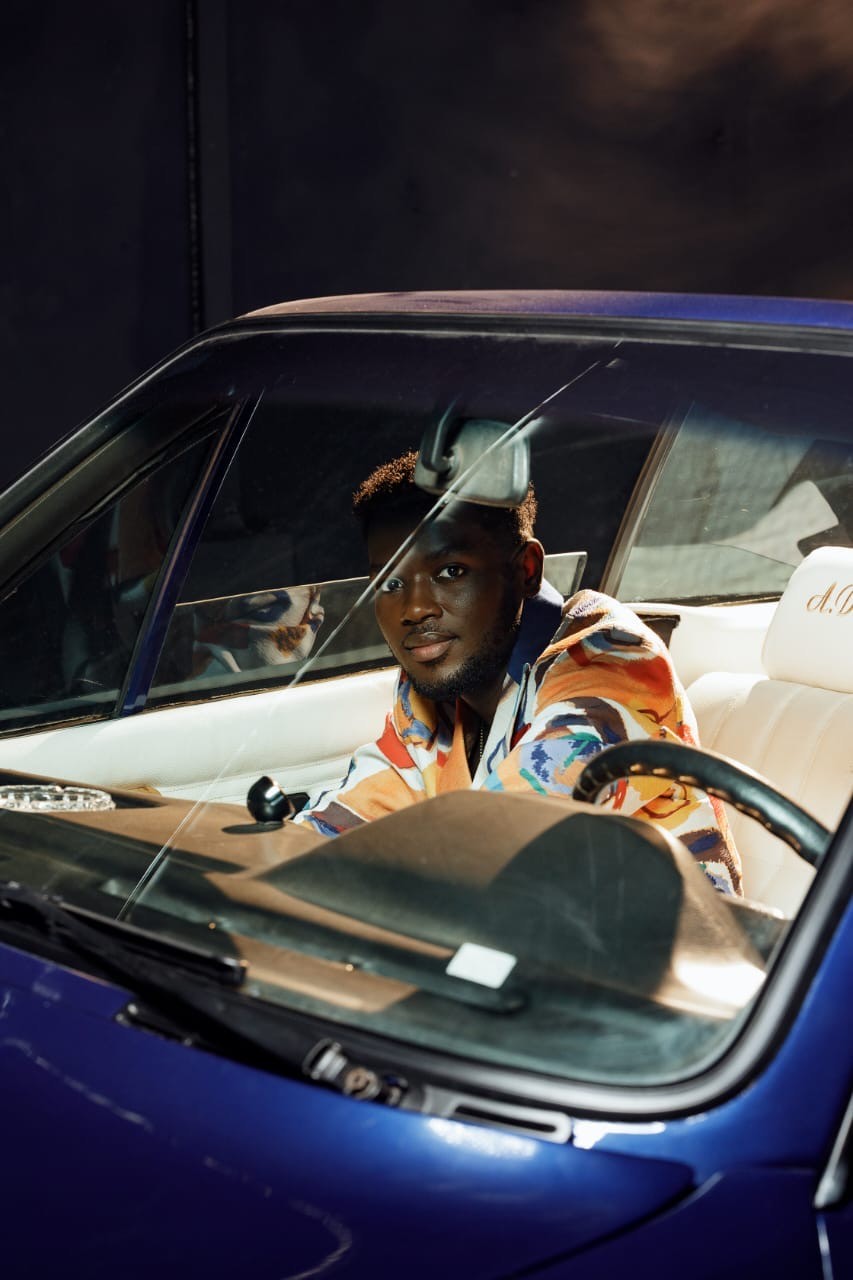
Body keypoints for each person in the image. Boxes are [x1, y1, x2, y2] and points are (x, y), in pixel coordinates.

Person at [294, 451, 741, 895]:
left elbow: (509, 836)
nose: (413, 609)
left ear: (526, 570)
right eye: (390, 584)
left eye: (450, 571)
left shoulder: (612, 662)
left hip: (665, 933)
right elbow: (348, 816)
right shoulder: (428, 693)